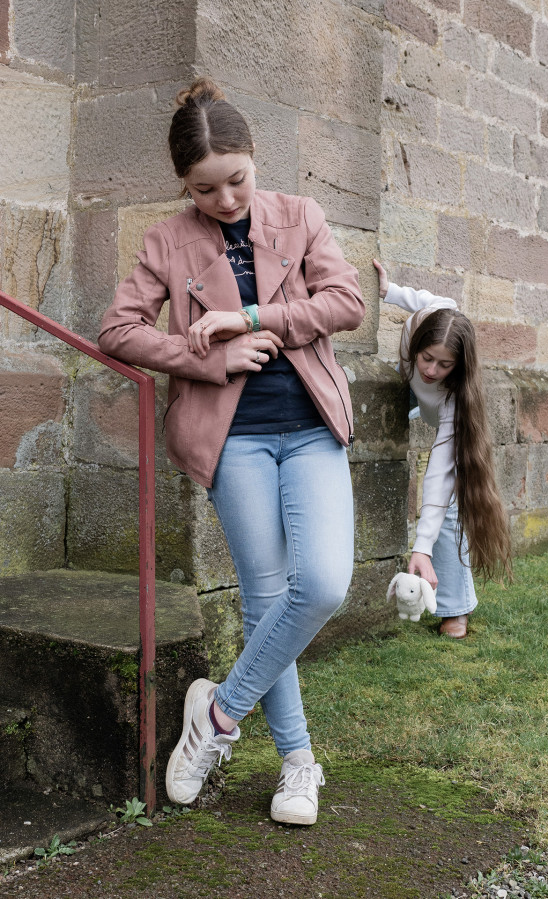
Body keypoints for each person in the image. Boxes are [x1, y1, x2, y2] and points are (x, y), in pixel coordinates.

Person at [98, 78, 364, 825]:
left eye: (236, 180)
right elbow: (117, 331)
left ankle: (216, 715)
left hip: (310, 426)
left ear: (255, 158)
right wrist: (211, 354)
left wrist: (251, 313)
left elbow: (346, 302)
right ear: (184, 185)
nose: (224, 199)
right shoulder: (166, 239)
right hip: (234, 439)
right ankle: (298, 763)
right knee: (268, 597)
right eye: (204, 188)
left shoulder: (300, 215)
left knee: (322, 586)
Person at [373, 260, 511, 639]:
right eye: (427, 358)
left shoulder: (455, 394)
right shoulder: (427, 318)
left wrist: (422, 547)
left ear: (459, 365)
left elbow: (437, 473)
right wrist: (389, 292)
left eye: (444, 364)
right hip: (419, 401)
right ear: (418, 343)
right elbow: (422, 298)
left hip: (446, 417)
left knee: (448, 505)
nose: (432, 369)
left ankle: (455, 607)